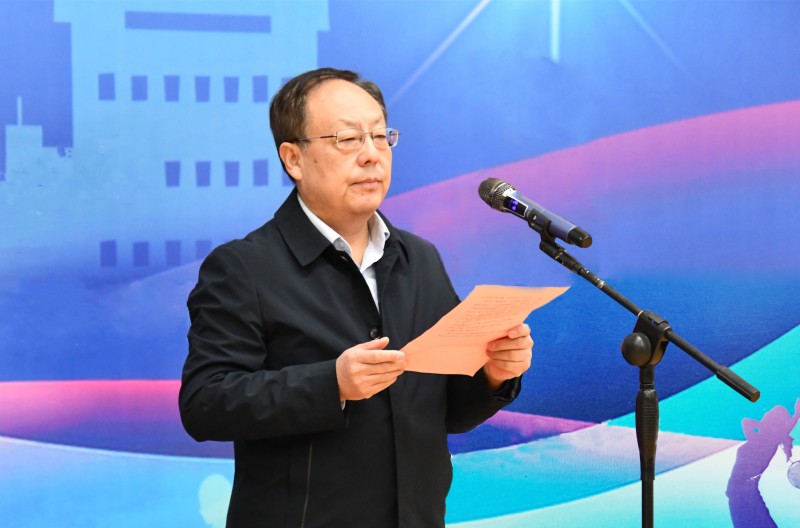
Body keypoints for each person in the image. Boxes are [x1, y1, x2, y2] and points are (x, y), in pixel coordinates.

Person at [179, 67, 534, 528]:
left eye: (381, 136)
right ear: (294, 159)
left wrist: (493, 375)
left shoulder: (419, 258)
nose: (371, 155)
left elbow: (446, 412)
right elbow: (205, 404)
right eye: (348, 139)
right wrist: (332, 384)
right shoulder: (244, 268)